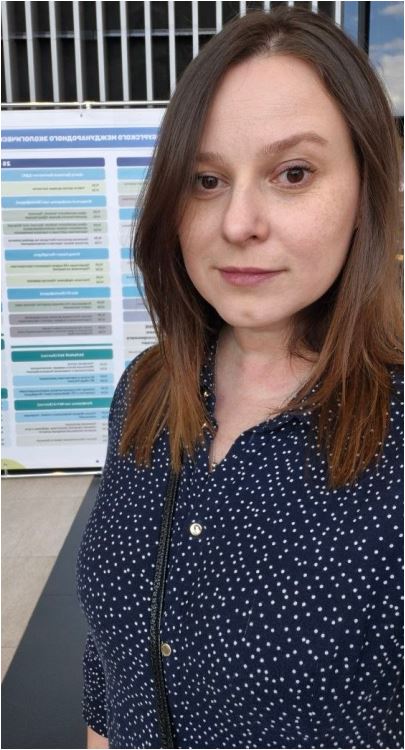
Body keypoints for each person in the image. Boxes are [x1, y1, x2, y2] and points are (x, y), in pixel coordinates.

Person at [76, 6, 403, 749]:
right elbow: (110, 661)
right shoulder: (145, 389)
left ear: (365, 191)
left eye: (293, 173)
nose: (237, 222)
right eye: (206, 179)